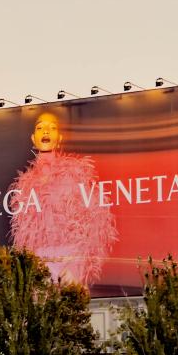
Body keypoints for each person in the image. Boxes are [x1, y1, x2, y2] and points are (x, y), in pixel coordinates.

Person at [10, 113, 117, 287]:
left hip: (70, 258)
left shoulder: (77, 172)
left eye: (52, 127)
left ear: (59, 138)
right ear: (33, 138)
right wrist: (30, 269)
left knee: (72, 310)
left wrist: (76, 265)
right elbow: (23, 235)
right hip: (39, 264)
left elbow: (98, 221)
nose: (45, 131)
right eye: (40, 127)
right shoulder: (24, 184)